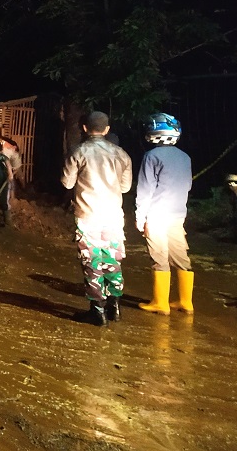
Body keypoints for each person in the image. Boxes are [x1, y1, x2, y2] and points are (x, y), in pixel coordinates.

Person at [60, 111, 133, 327]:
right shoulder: (122, 154)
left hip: (88, 215)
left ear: (84, 128)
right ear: (107, 129)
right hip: (113, 216)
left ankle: (97, 311)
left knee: (92, 262)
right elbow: (126, 187)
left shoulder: (78, 151)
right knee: (112, 260)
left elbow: (67, 183)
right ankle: (115, 306)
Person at [135, 112, 195, 315]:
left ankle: (161, 303)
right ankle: (186, 302)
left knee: (159, 256)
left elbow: (145, 189)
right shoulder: (185, 157)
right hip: (178, 215)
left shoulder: (151, 156)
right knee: (181, 257)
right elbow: (187, 185)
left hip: (157, 216)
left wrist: (139, 217)